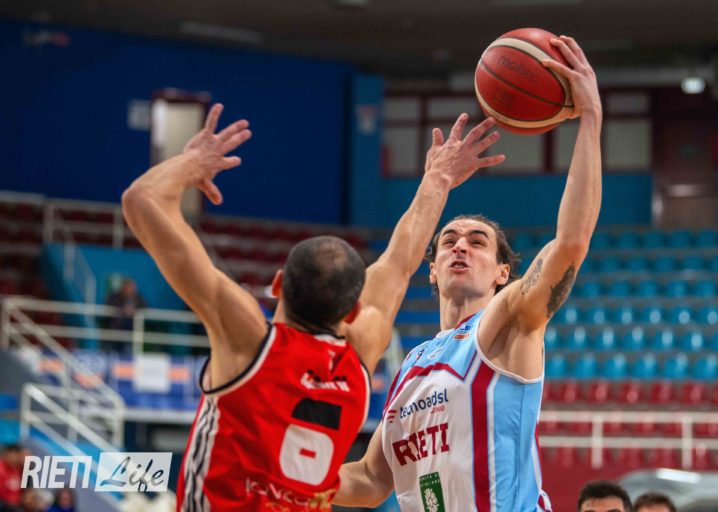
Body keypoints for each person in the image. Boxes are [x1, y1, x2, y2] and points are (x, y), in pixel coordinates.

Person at [122, 103, 503, 511]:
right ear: (352, 313)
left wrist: (190, 163)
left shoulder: (249, 340)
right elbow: (400, 260)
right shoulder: (360, 352)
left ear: (277, 285)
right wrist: (438, 178)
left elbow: (140, 199)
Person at [333, 35, 602, 511]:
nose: (460, 245)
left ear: (503, 273)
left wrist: (591, 120)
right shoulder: (412, 365)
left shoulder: (507, 321)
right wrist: (288, 472)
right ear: (432, 271)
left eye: (478, 242)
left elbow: (570, 244)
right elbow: (372, 479)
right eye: (449, 241)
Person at [0, 445, 24, 509]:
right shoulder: (1, 469)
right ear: (5, 455)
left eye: (16, 456)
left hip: (16, 505)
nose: (14, 459)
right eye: (11, 456)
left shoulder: (18, 470)